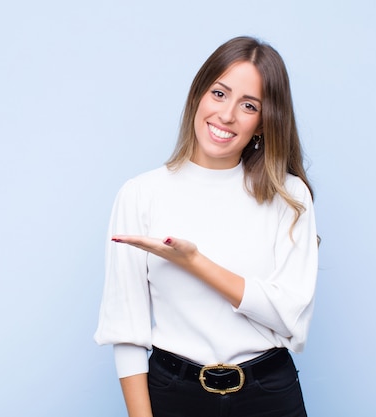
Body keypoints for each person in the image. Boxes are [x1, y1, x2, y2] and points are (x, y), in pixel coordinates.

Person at [94, 36, 318, 417]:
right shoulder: (140, 194)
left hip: (269, 395)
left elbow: (289, 317)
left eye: (249, 105)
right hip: (173, 394)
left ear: (264, 123)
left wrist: (194, 262)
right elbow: (126, 331)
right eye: (219, 93)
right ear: (198, 95)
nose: (227, 115)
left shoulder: (289, 195)